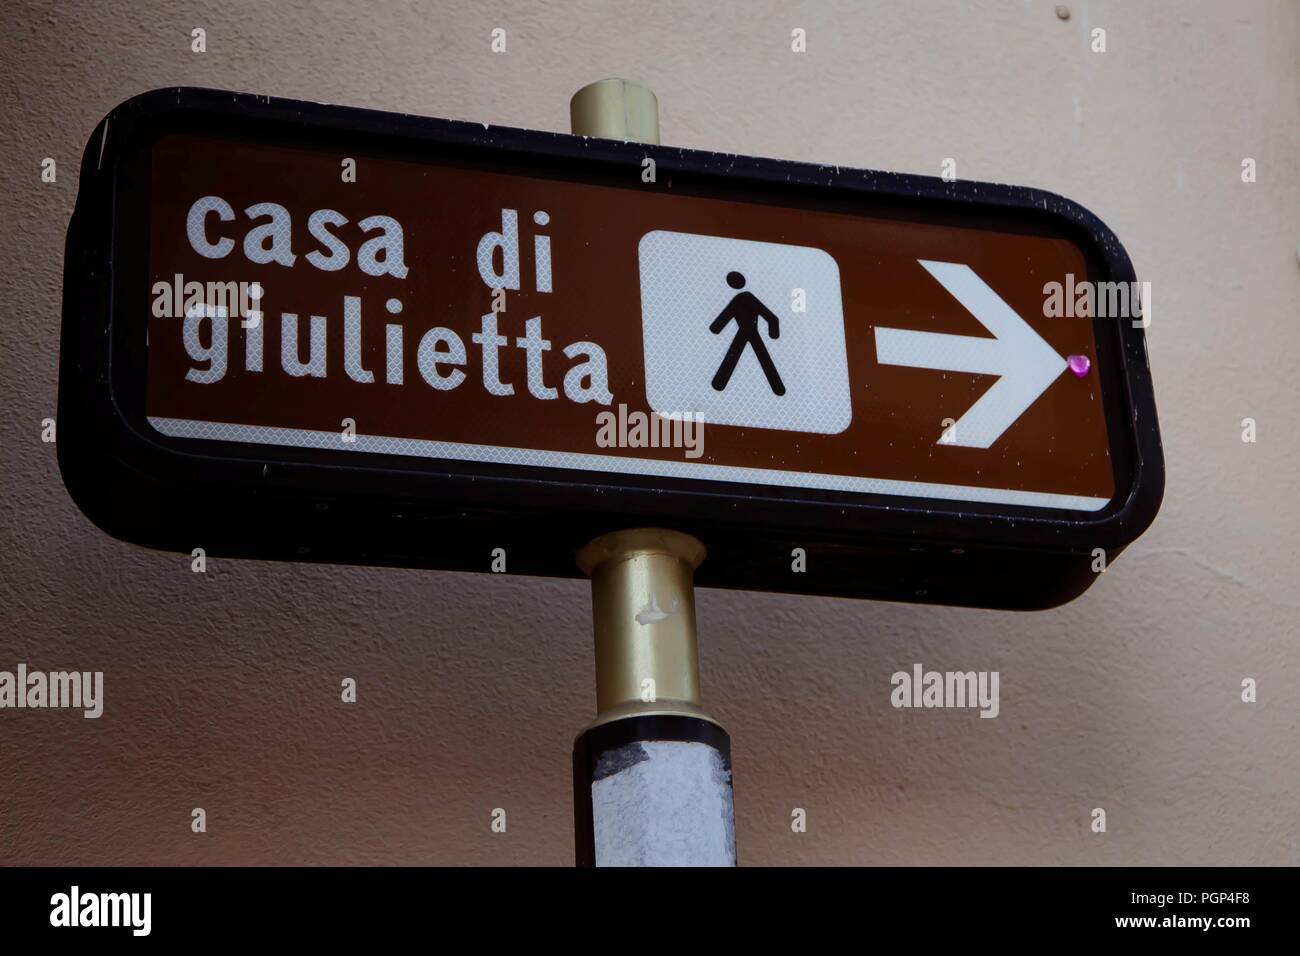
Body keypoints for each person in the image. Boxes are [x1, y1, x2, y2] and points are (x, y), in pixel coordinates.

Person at [708, 271, 785, 395]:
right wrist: (773, 332)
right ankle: (778, 389)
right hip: (749, 334)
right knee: (762, 357)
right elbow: (771, 318)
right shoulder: (744, 298)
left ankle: (719, 383)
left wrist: (716, 328)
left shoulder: (744, 298)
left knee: (748, 356)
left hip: (748, 333)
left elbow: (771, 318)